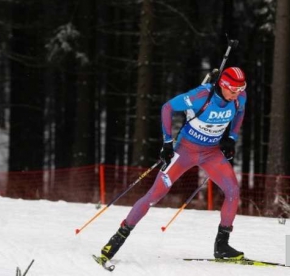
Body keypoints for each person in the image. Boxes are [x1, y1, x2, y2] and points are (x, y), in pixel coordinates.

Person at [97, 67, 248, 266]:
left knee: (232, 191)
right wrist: (167, 143)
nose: (237, 93)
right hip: (185, 151)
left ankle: (222, 246)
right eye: (233, 89)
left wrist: (231, 137)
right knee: (154, 195)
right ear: (222, 84)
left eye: (241, 88)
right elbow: (167, 108)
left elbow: (240, 112)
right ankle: (115, 241)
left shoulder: (239, 98)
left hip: (211, 153)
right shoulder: (201, 96)